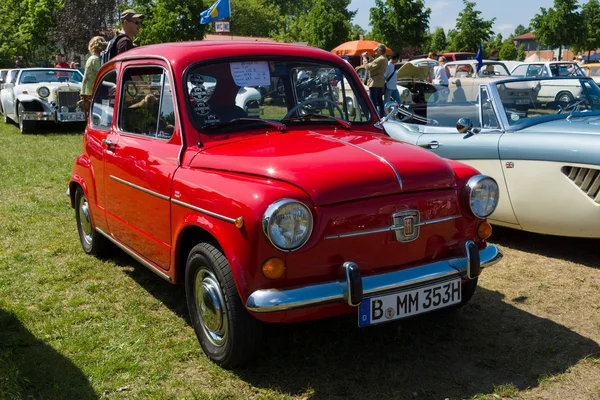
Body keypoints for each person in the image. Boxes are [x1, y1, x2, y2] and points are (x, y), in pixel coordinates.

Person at [81, 36, 108, 118]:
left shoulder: (92, 59)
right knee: (99, 114)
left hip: (90, 91)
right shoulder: (96, 60)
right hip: (96, 91)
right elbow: (103, 73)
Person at [358, 43, 388, 117]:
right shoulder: (384, 58)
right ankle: (381, 116)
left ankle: (373, 117)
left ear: (380, 50)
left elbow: (368, 67)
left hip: (375, 82)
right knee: (379, 101)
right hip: (380, 82)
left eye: (376, 50)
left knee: (373, 102)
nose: (375, 52)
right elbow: (375, 63)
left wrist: (364, 58)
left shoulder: (381, 59)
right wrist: (370, 57)